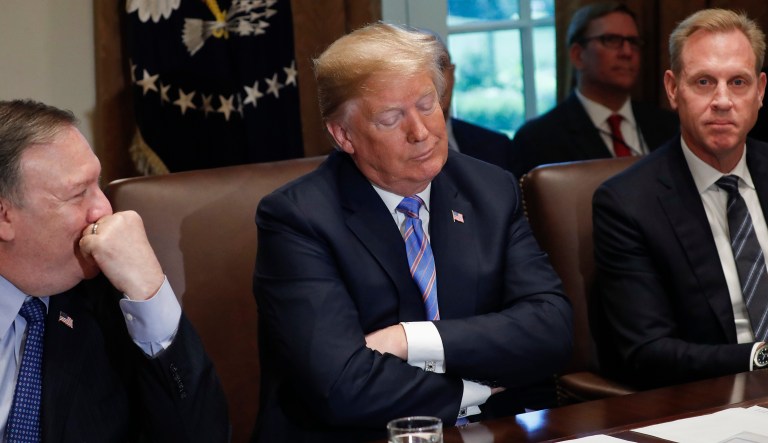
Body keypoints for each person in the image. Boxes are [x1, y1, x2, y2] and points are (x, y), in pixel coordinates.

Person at [253, 22, 573, 442]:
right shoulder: (298, 219)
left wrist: (411, 339)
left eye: (427, 104)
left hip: (492, 432)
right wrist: (470, 391)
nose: (420, 132)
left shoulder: (490, 189)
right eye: (390, 118)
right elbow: (341, 386)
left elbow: (551, 330)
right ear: (344, 135)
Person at [0, 100, 228, 440]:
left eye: (99, 185)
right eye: (78, 194)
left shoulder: (111, 295)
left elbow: (201, 435)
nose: (104, 209)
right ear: (4, 216)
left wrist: (150, 291)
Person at [592, 8, 768, 389]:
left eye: (738, 82)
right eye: (704, 81)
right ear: (673, 89)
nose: (723, 100)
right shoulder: (627, 203)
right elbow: (648, 351)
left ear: (761, 91)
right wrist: (760, 356)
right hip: (712, 399)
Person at [508, 1, 678, 178]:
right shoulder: (538, 139)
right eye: (612, 40)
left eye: (633, 42)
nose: (627, 52)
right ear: (577, 55)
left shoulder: (670, 126)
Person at [431, 30, 515, 169]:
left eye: (441, 66)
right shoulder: (393, 155)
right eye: (423, 71)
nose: (436, 81)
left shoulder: (498, 146)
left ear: (453, 73)